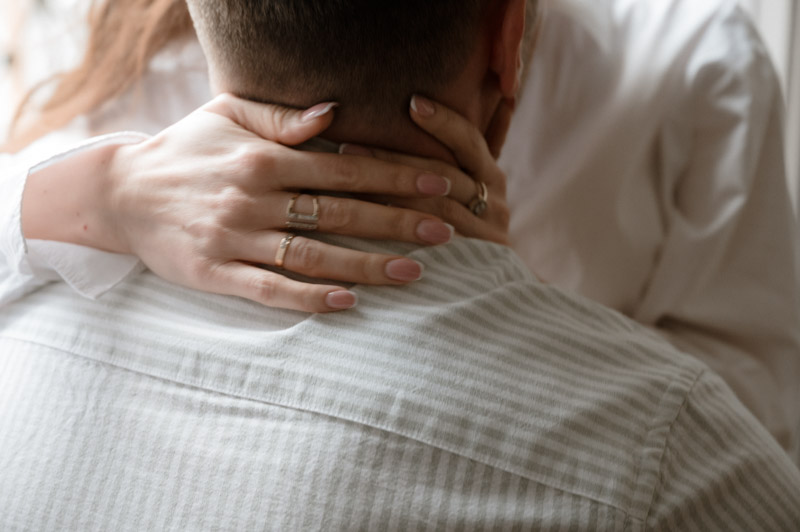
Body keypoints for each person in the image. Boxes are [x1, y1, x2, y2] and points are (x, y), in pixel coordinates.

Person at [1, 0, 799, 529]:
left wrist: (518, 313)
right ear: (508, 40)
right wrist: (97, 190)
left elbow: (756, 393)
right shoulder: (97, 31)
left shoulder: (691, 59)